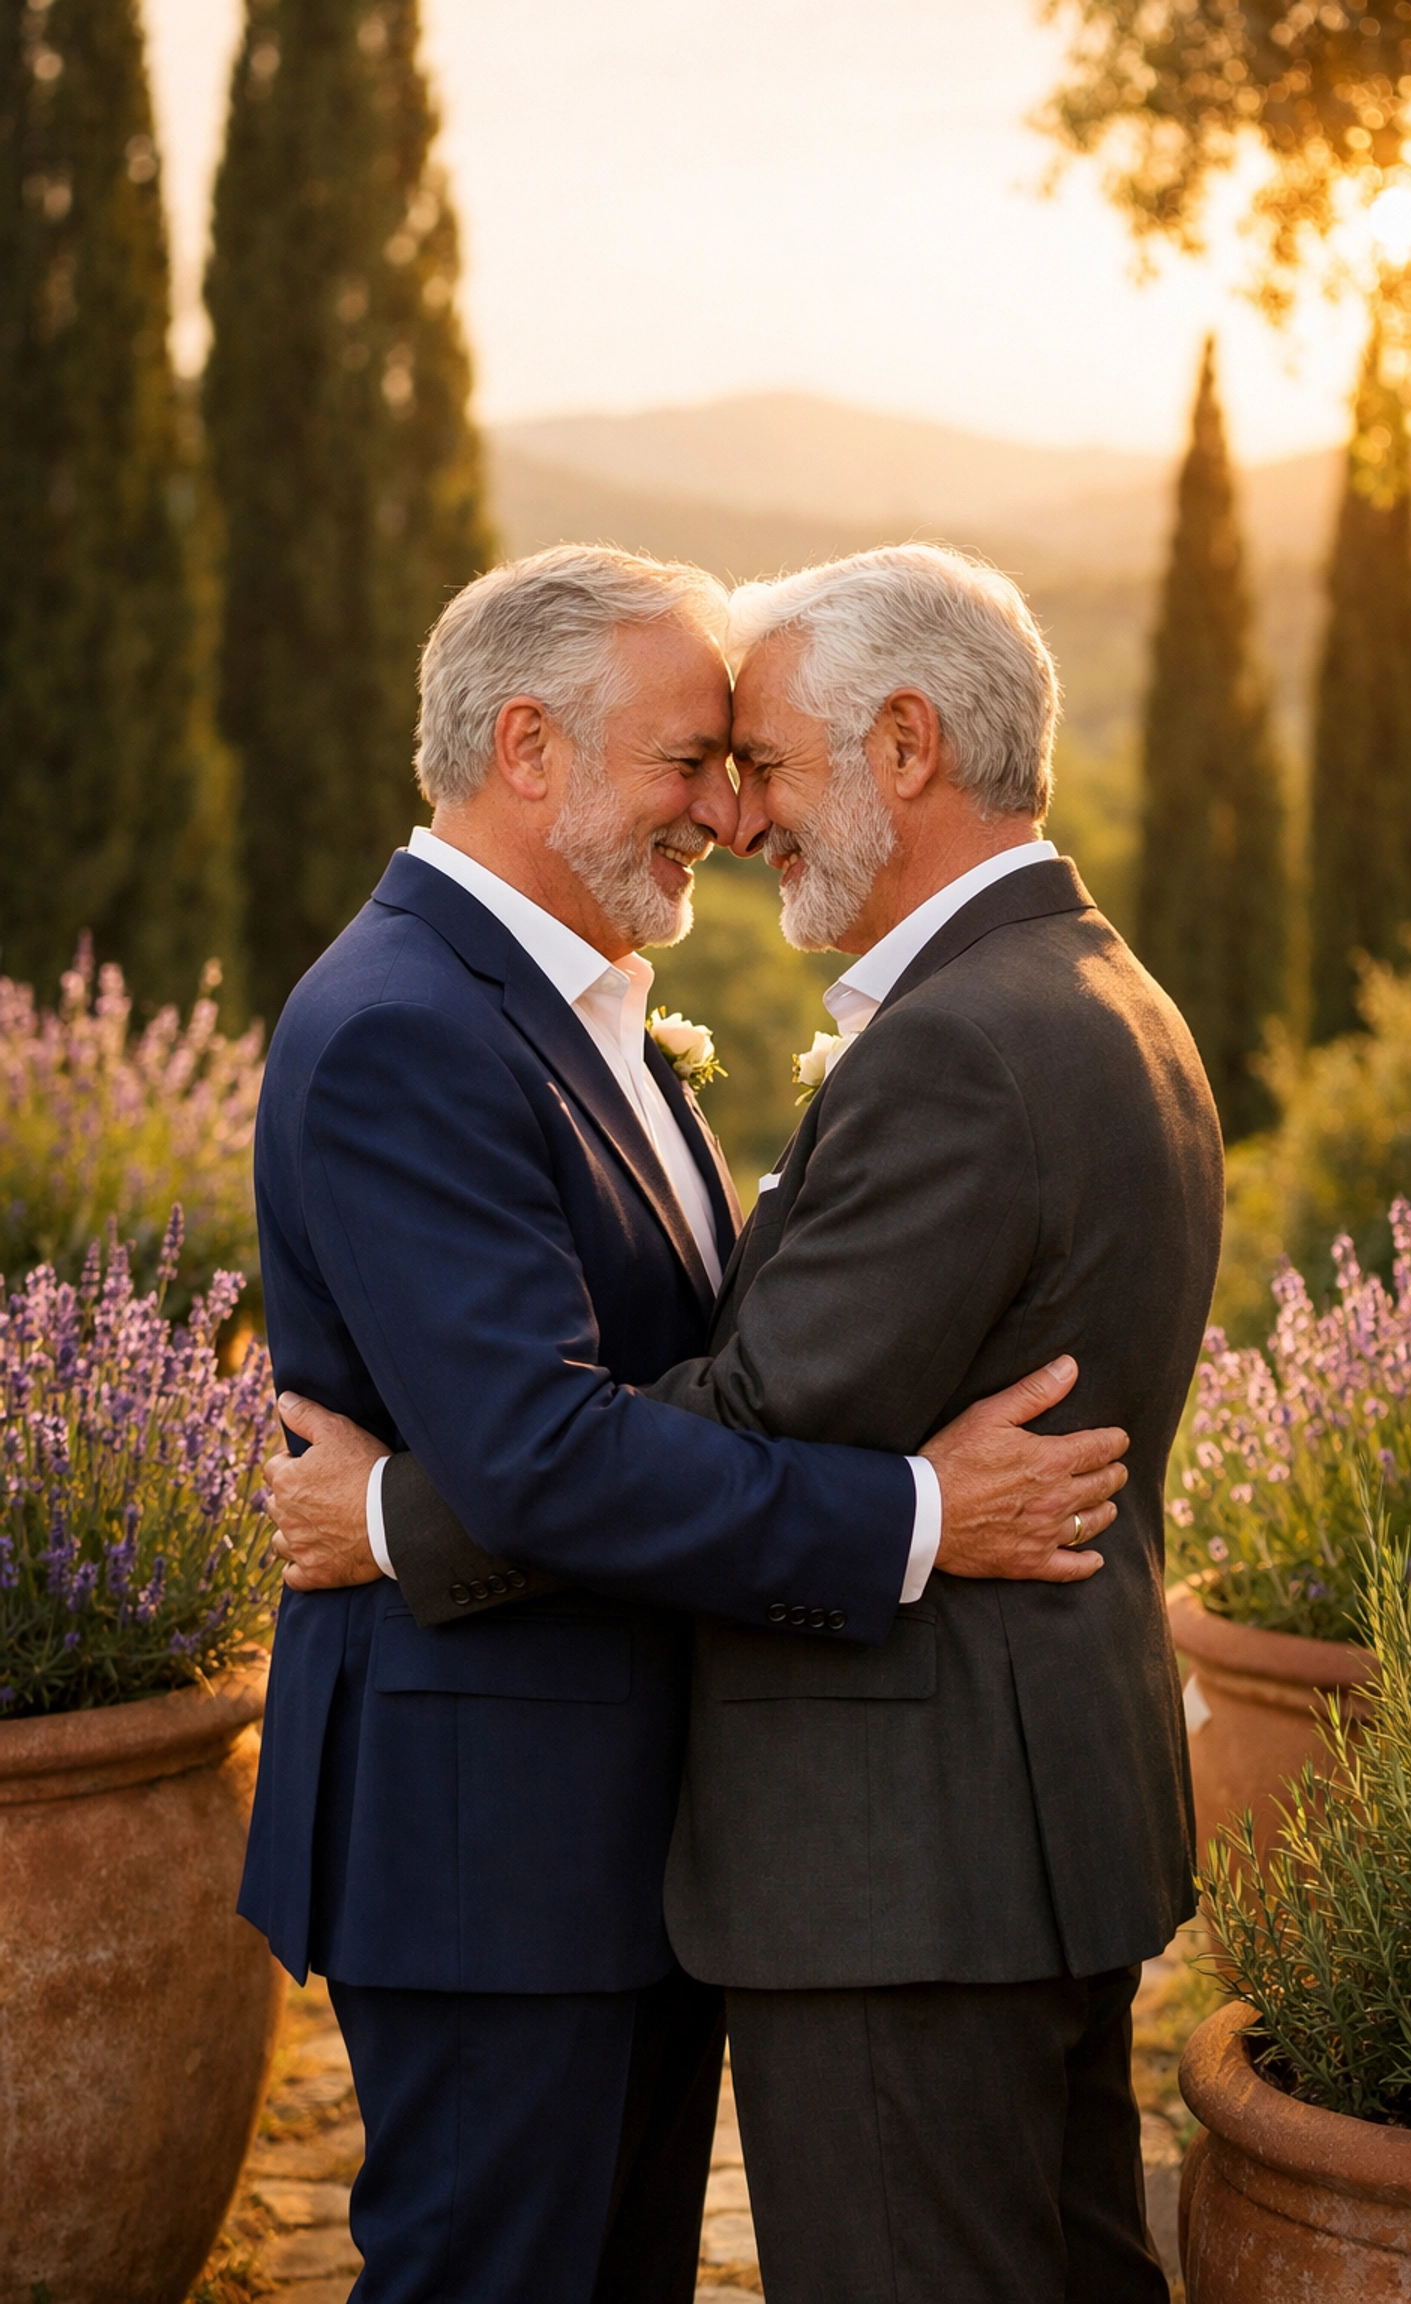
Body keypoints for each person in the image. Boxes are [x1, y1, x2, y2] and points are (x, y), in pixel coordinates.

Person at [245, 544, 1134, 2304]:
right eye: (686, 760)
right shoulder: (405, 1030)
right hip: (489, 1838)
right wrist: (921, 1514)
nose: (722, 816)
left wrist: (404, 1510)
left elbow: (655, 1388)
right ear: (526, 747)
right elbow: (544, 1453)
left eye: (741, 763)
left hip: (609, 1832)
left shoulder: (587, 1013)